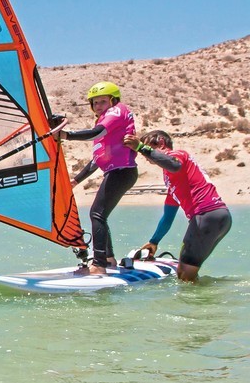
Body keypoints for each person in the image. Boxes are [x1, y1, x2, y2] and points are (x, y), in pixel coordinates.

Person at [124, 129, 232, 282]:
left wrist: (140, 147)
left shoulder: (178, 156)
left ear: (161, 142)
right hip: (220, 218)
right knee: (189, 273)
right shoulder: (173, 179)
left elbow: (174, 165)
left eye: (148, 149)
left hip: (205, 216)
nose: (146, 158)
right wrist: (154, 241)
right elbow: (168, 217)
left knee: (184, 276)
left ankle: (197, 305)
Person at [60, 81, 138, 274]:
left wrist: (66, 135)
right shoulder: (104, 124)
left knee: (97, 214)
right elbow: (97, 159)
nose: (98, 106)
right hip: (116, 172)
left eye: (103, 101)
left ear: (113, 100)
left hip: (123, 171)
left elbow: (97, 132)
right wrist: (76, 180)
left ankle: (99, 265)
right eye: (94, 103)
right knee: (99, 215)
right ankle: (109, 259)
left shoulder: (117, 111)